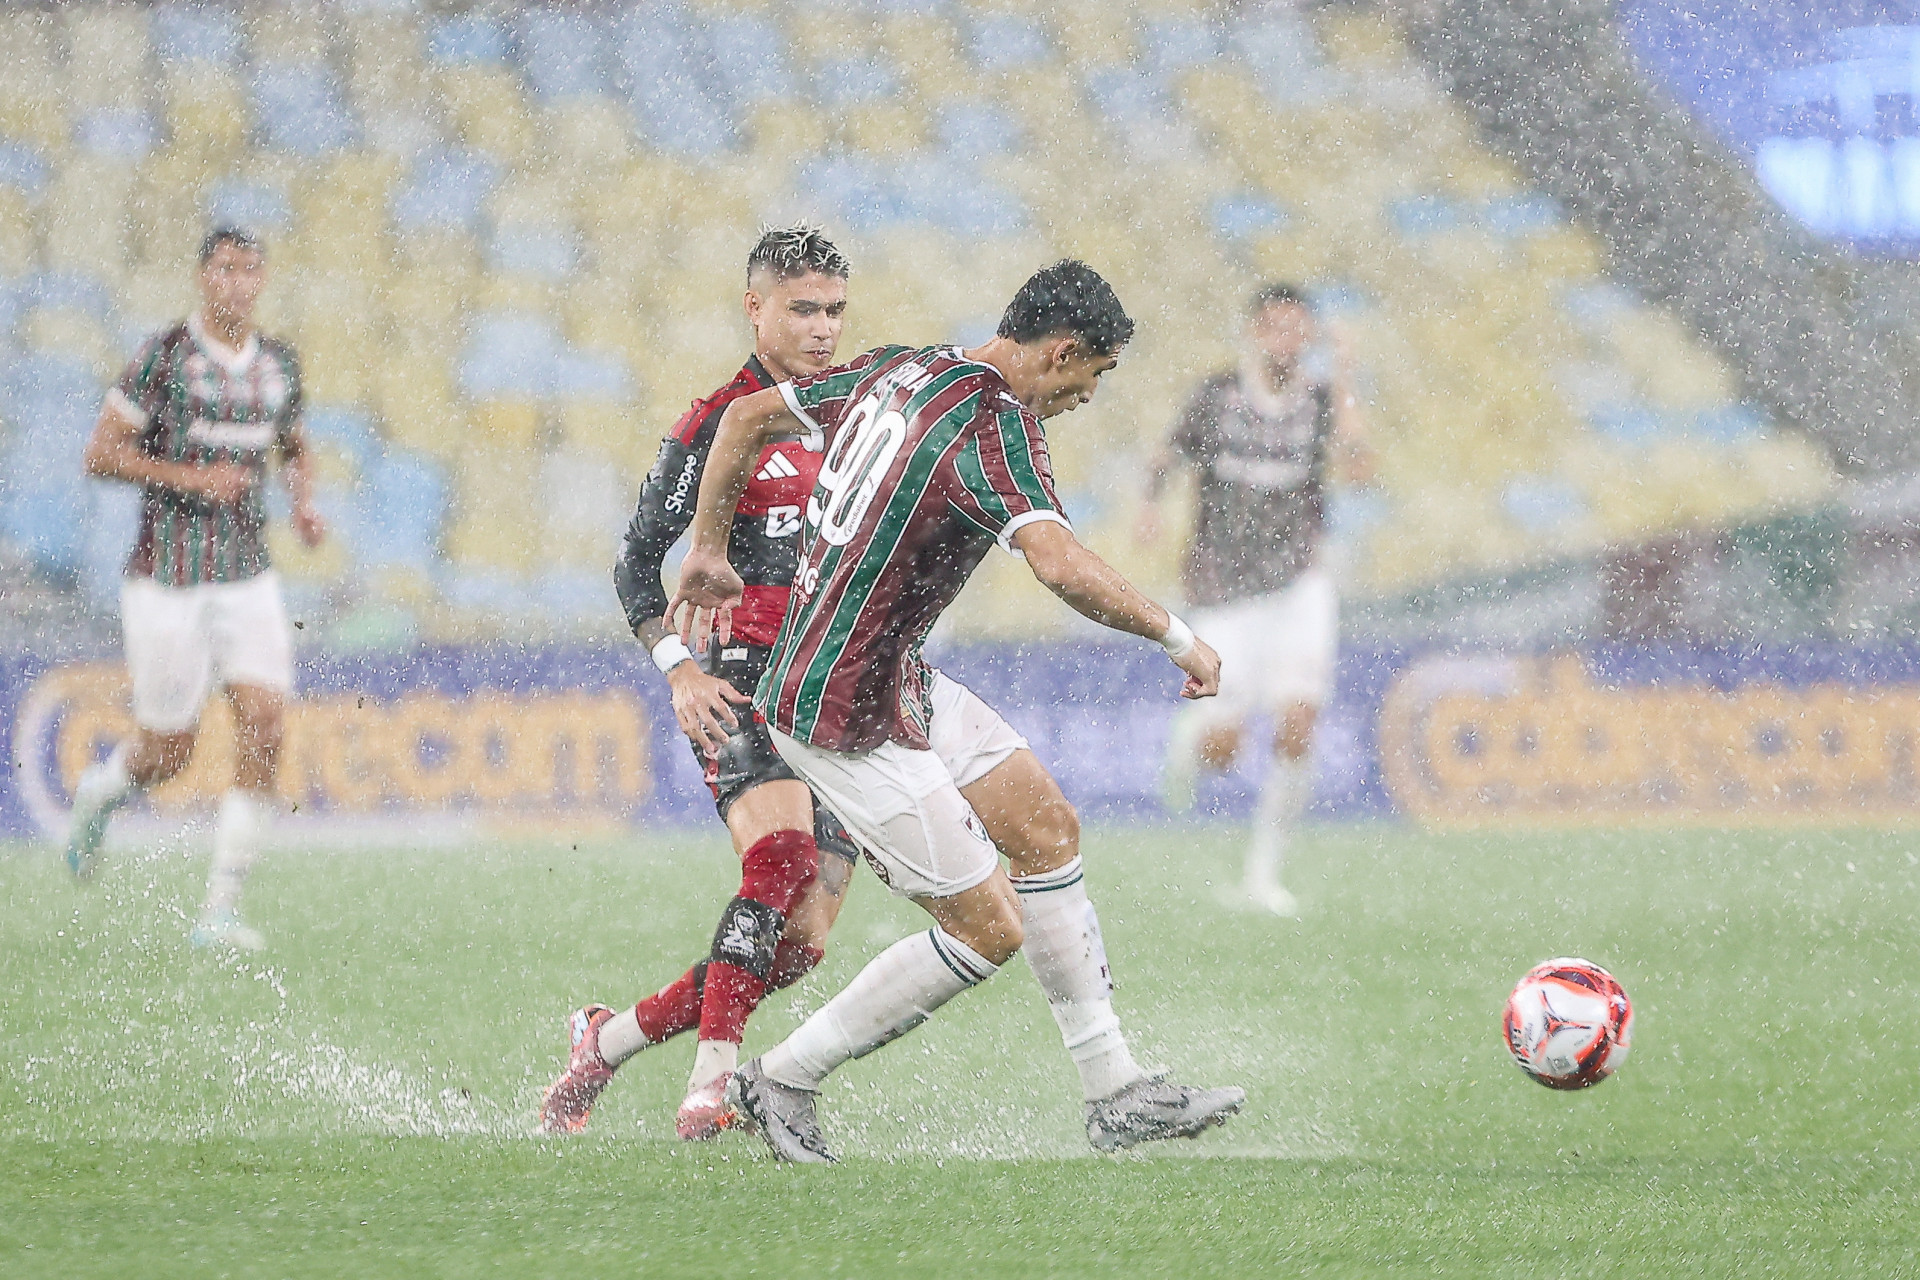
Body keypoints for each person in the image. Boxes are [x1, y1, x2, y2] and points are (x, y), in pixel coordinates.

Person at [545, 233, 1243, 1154]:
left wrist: (710, 547)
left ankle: (1114, 1091)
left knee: (1045, 830)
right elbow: (1059, 566)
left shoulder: (903, 369)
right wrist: (1178, 637)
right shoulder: (994, 428)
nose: (1087, 397)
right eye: (1093, 377)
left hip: (887, 674)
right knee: (981, 925)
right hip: (837, 713)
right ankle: (775, 1079)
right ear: (1061, 352)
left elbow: (750, 418)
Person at [64, 226, 325, 951]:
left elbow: (295, 442)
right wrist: (190, 478)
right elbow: (100, 454)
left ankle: (220, 909)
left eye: (249, 270)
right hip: (167, 579)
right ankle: (101, 792)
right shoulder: (164, 359)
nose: (236, 283)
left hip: (248, 573)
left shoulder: (278, 365)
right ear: (202, 277)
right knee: (168, 753)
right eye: (224, 269)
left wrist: (304, 504)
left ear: (262, 280)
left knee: (266, 722)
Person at [1142, 283, 1373, 917]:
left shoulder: (1322, 399)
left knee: (1300, 718)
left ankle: (1263, 875)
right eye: (1274, 327)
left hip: (1299, 580)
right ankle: (1192, 739)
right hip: (1223, 587)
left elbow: (1359, 467)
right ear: (1253, 332)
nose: (1286, 340)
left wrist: (1347, 372)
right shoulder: (1217, 397)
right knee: (1223, 752)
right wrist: (1148, 509)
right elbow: (1166, 457)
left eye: (1299, 328)